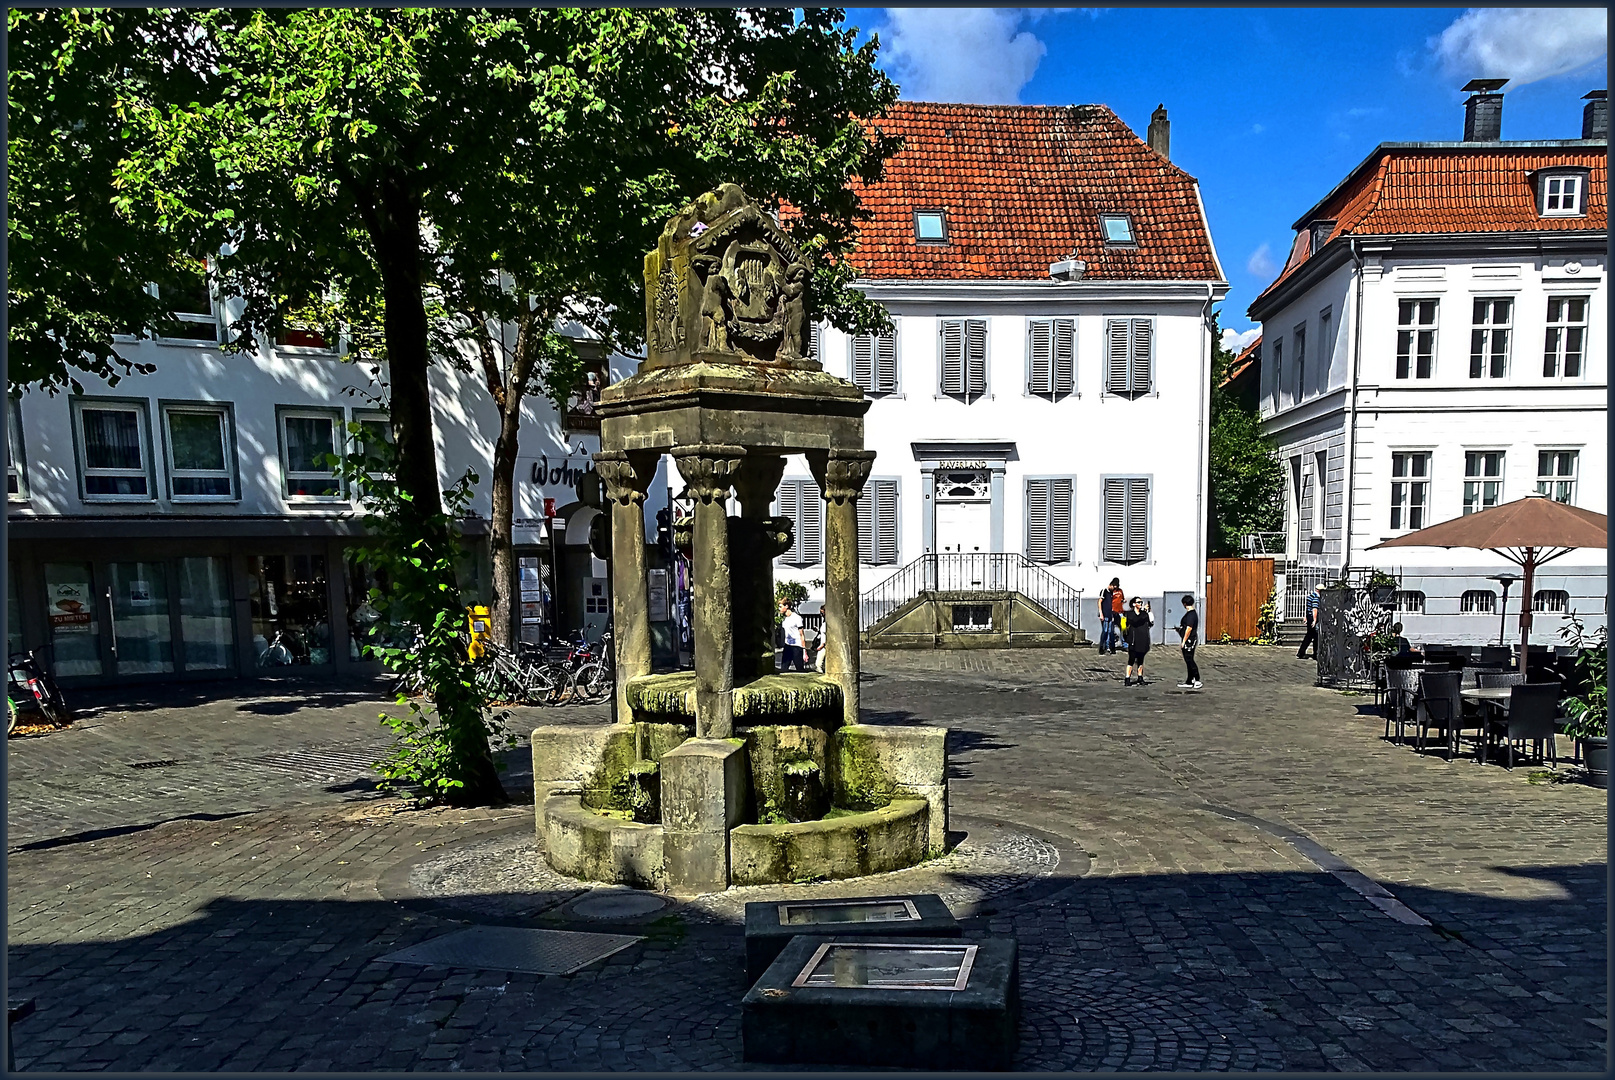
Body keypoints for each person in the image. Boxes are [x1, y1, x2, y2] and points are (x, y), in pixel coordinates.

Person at [1124, 596, 1153, 687]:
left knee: (1141, 660)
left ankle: (1140, 677)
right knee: (1131, 660)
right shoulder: (1129, 614)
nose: (1140, 604)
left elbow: (1150, 623)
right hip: (1133, 639)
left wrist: (1148, 612)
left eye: (1141, 602)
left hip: (1143, 638)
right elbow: (1135, 621)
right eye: (1138, 602)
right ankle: (1127, 678)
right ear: (1134, 604)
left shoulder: (1144, 614)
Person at [1176, 594, 1202, 689]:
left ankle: (1197, 679)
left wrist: (1184, 641)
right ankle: (1189, 680)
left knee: (1190, 660)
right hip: (1189, 639)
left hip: (1190, 640)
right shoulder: (1191, 614)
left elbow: (1189, 628)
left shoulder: (1191, 615)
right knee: (1188, 660)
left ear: (1184, 604)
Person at [779, 600, 807, 671]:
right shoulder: (785, 620)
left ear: (786, 606)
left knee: (800, 669)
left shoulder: (797, 618)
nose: (779, 609)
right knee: (783, 669)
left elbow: (802, 635)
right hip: (787, 646)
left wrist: (804, 651)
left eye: (780, 606)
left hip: (797, 647)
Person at [1098, 577, 1121, 655]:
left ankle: (1112, 648)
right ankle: (1102, 647)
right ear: (1112, 585)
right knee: (1105, 631)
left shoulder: (1112, 593)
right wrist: (1101, 613)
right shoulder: (1104, 591)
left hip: (1111, 615)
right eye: (1114, 587)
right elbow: (1100, 602)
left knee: (1111, 631)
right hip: (1105, 614)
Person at [1296, 586, 1321, 659]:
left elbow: (1308, 608)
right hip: (1313, 617)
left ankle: (1302, 652)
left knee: (1310, 636)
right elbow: (1314, 609)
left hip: (1309, 616)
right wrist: (1315, 620)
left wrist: (1306, 616)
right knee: (1314, 636)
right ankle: (1314, 654)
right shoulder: (1316, 597)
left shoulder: (1310, 596)